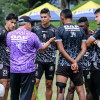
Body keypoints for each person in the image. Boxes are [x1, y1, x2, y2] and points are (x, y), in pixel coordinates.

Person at [7, 15, 55, 100]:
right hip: (27, 70)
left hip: (14, 69)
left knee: (14, 95)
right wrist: (50, 41)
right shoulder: (32, 35)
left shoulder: (9, 35)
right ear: (28, 24)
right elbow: (42, 49)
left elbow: (10, 49)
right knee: (25, 95)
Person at [55, 9, 87, 100]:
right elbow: (84, 49)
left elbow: (61, 50)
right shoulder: (81, 30)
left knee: (60, 91)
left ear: (62, 17)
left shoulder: (59, 30)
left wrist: (72, 61)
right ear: (72, 18)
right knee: (81, 91)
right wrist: (75, 62)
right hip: (77, 65)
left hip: (63, 65)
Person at [31, 8, 57, 100]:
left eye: (45, 17)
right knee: (35, 83)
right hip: (39, 60)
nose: (43, 19)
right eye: (41, 17)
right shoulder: (35, 29)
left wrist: (55, 43)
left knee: (49, 84)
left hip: (51, 61)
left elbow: (60, 46)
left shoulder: (55, 30)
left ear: (49, 17)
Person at [66, 17, 93, 100]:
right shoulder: (75, 35)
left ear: (87, 25)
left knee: (88, 89)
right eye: (79, 26)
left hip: (89, 66)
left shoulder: (93, 36)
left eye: (82, 26)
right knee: (71, 88)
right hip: (77, 64)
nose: (80, 28)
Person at [0, 13, 18, 100]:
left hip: (11, 63)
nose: (13, 25)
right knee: (3, 85)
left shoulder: (13, 34)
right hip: (2, 63)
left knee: (7, 86)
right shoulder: (1, 32)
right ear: (6, 21)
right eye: (11, 22)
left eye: (15, 23)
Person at [86, 8, 100, 100]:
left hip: (98, 67)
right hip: (95, 66)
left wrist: (94, 40)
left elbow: (88, 42)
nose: (95, 19)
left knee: (95, 91)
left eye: (97, 16)